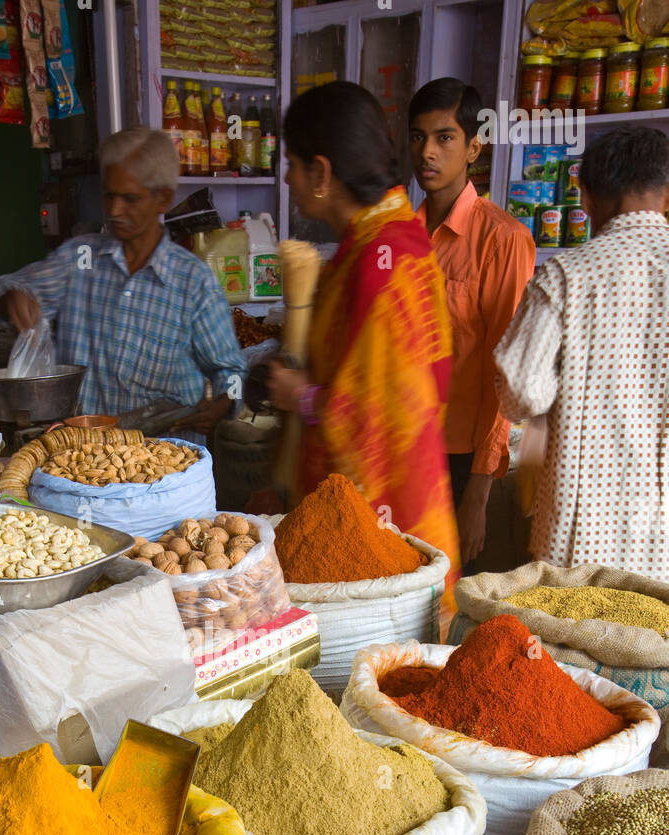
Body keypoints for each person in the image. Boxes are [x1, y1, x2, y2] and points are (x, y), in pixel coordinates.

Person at [268, 81, 460, 579]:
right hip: (406, 508)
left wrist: (301, 397)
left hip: (383, 532)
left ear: (321, 173)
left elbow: (383, 414)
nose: (287, 178)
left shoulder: (380, 261)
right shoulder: (384, 239)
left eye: (291, 163)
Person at [0, 127, 244, 436]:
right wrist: (13, 299)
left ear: (163, 198)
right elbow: (7, 289)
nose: (114, 210)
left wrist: (224, 402)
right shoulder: (79, 258)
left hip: (164, 462)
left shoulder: (194, 283)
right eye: (109, 195)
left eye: (130, 198)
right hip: (83, 456)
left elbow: (230, 371)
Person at [495, 127, 669, 577]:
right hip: (662, 541)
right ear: (665, 194)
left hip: (581, 533)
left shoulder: (565, 277)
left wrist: (564, 382)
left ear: (586, 198)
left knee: (573, 640)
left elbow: (519, 392)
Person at [409, 78, 535, 567]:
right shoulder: (400, 235)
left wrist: (478, 494)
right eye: (418, 136)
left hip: (461, 459)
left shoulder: (503, 239)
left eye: (445, 138)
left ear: (474, 148)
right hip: (404, 446)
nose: (428, 152)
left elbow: (501, 373)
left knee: (450, 597)